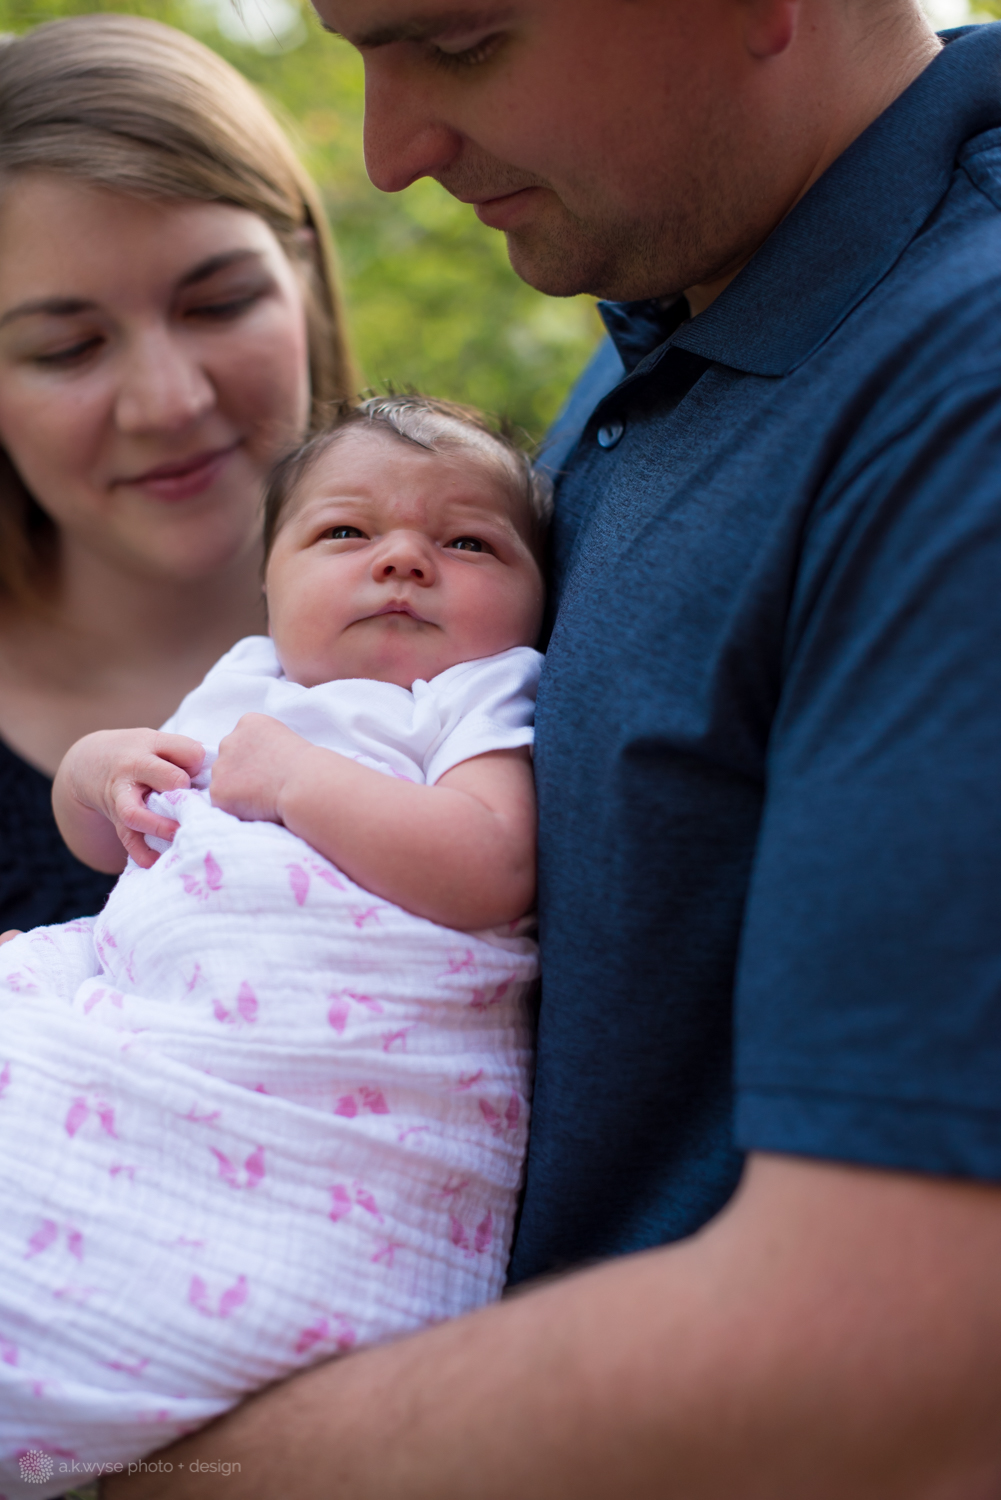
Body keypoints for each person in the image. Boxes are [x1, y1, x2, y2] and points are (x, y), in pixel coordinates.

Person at [107, 1, 1001, 1497]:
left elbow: (917, 1353)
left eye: (456, 42)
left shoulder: (957, 401)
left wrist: (136, 1456)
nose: (388, 154)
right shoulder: (673, 331)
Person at [0, 396, 546, 1495]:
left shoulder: (475, 696)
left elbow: (490, 864)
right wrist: (98, 771)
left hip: (330, 1078)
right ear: (271, 579)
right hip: (160, 1023)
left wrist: (301, 782)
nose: (402, 560)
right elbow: (117, 848)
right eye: (345, 532)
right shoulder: (250, 682)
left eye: (467, 542)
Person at [0, 13, 353, 936]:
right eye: (67, 348)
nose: (168, 401)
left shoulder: (524, 596)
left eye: (220, 303)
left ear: (303, 281)